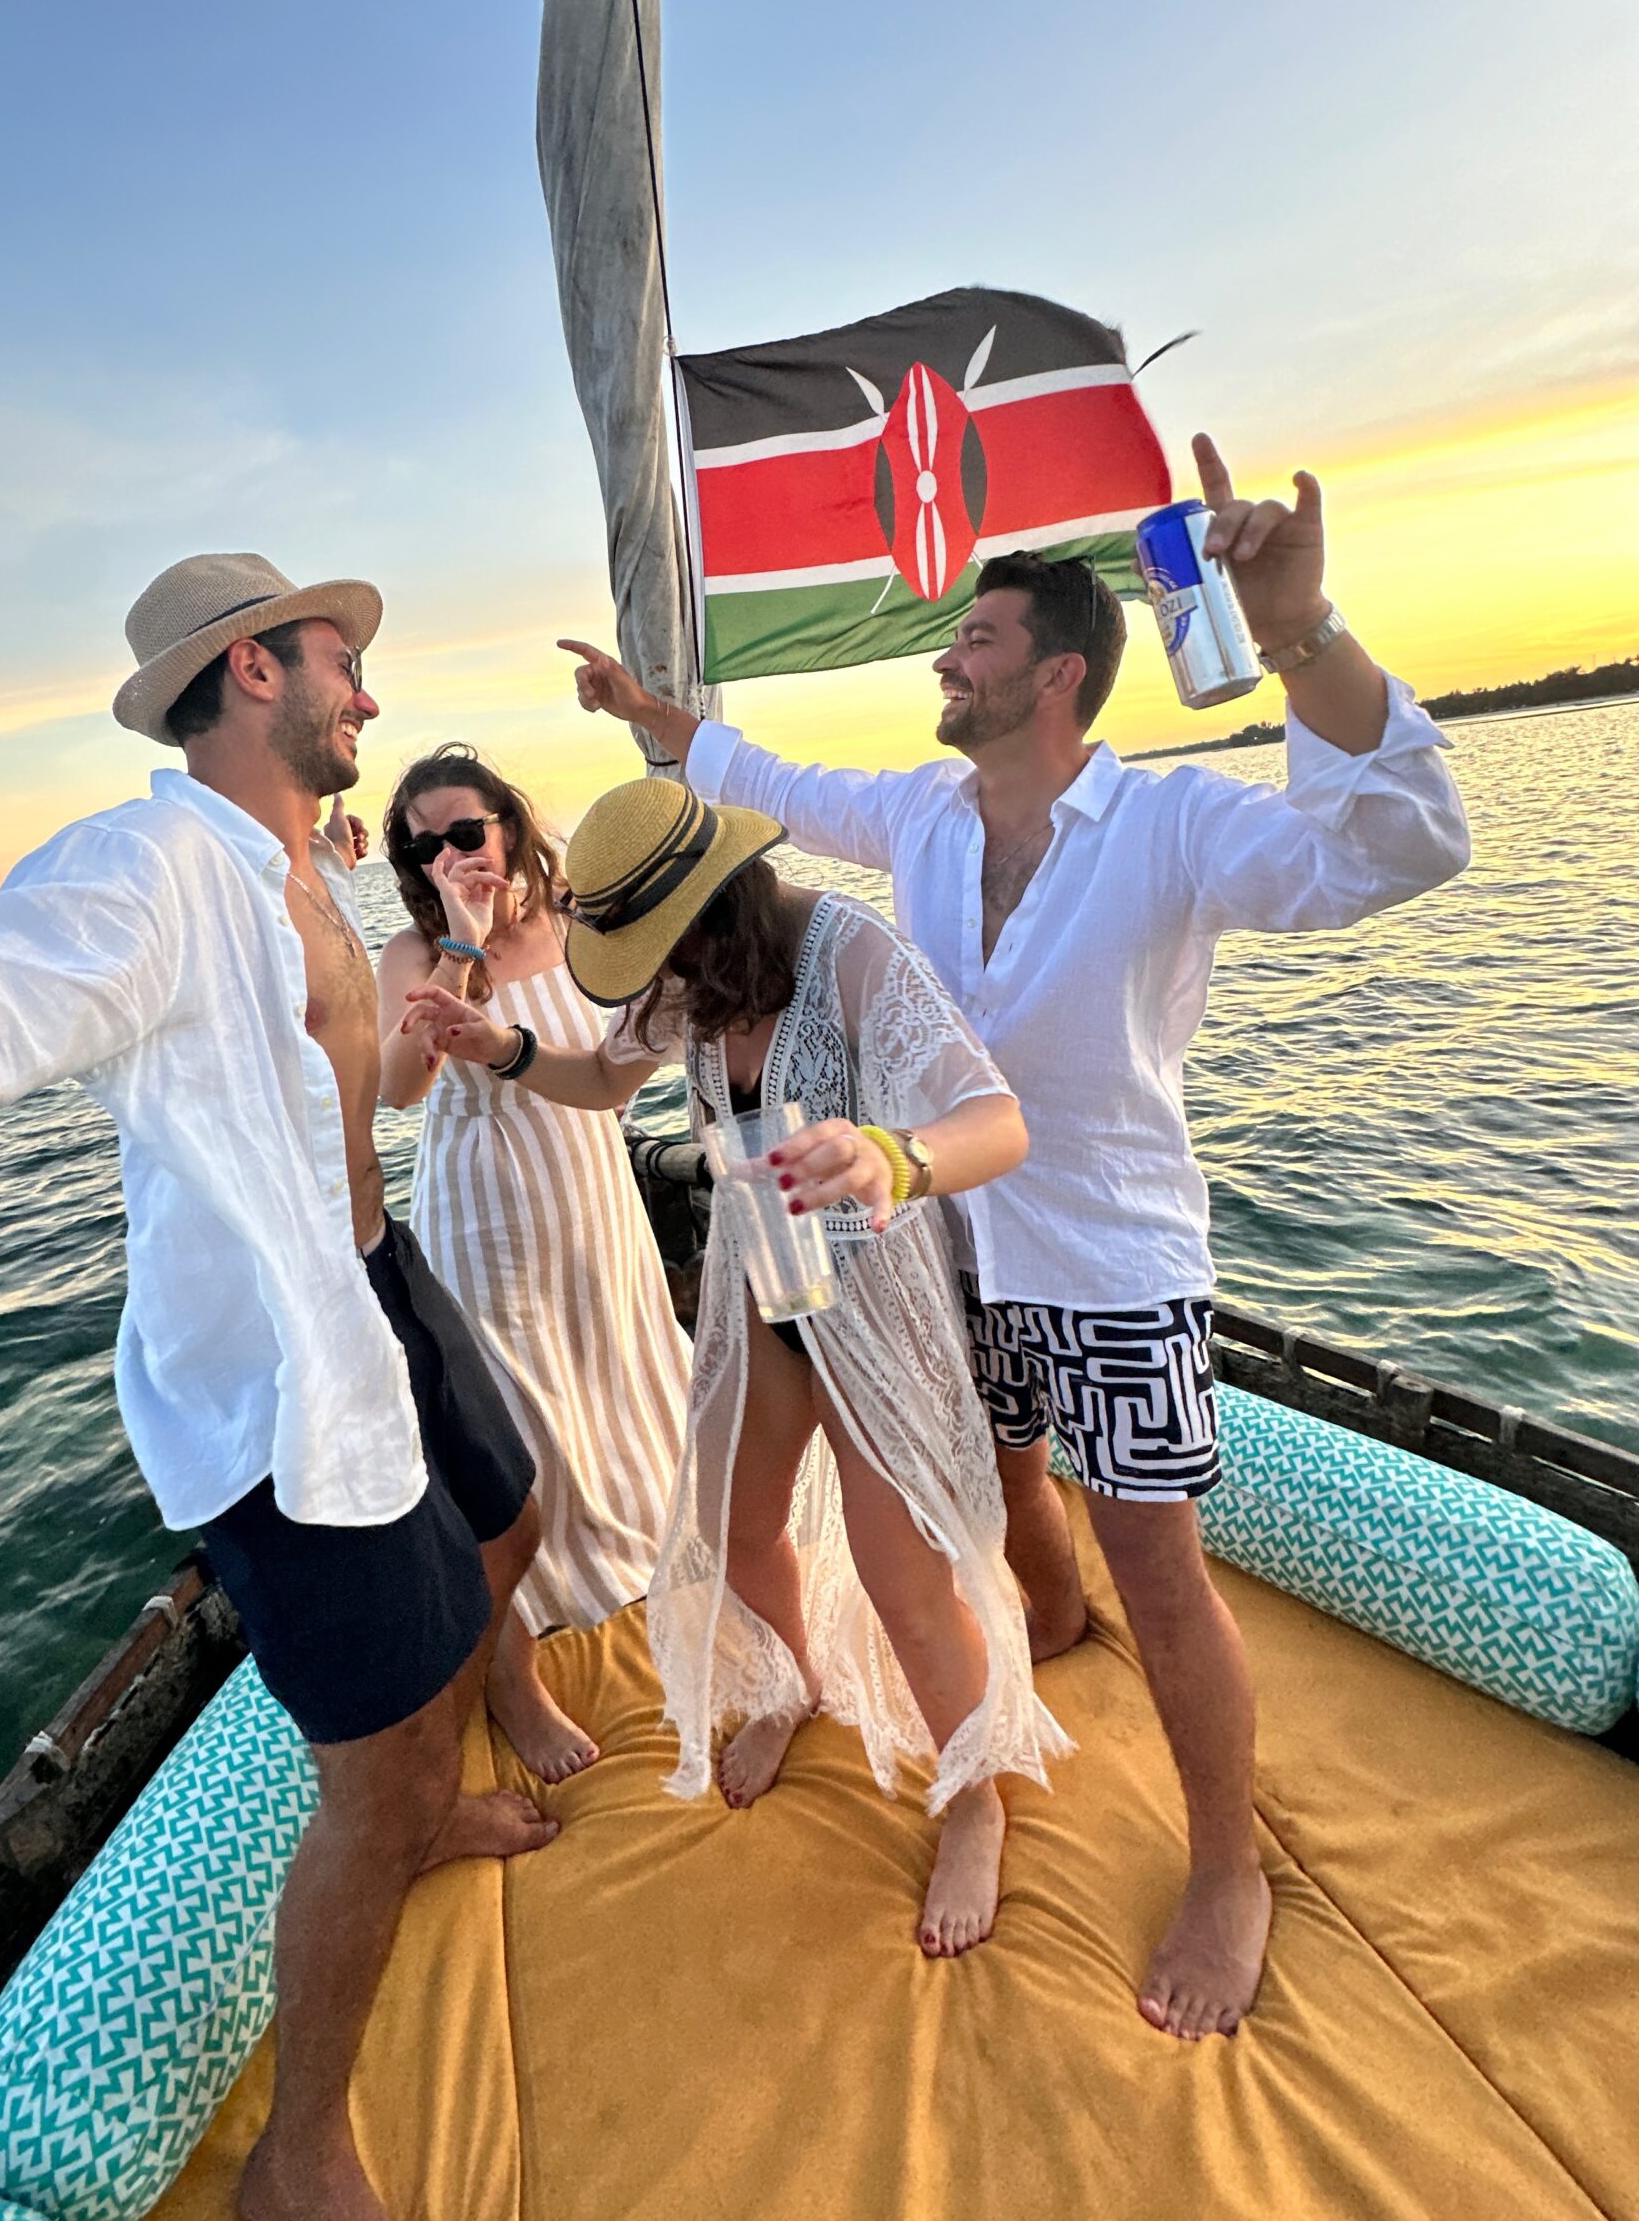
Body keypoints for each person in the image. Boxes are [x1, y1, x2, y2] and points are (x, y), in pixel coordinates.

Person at [558, 432, 1472, 2042]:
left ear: (1057, 675)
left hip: (1110, 1256)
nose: (943, 653)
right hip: (937, 1255)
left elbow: (1402, 847)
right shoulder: (920, 816)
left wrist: (1302, 633)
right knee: (999, 1490)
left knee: (1163, 1575)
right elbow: (766, 785)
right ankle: (1038, 1645)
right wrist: (653, 723)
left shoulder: (1172, 825)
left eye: (973, 636)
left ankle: (1225, 1868)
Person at [0, 553, 555, 2221]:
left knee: (514, 1516)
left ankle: (440, 1781)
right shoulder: (153, 866)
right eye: (342, 662)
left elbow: (346, 1080)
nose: (368, 696)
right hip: (282, 1378)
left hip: (373, 1274)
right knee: (370, 1777)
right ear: (253, 669)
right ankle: (302, 2152)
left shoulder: (300, 862)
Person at [404, 777, 1072, 1959]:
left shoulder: (849, 949)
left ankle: (974, 1799)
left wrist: (893, 1153)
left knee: (899, 1573)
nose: (661, 983)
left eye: (667, 949)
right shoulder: (684, 977)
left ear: (724, 902)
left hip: (869, 1296)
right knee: (736, 1516)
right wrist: (501, 1047)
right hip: (763, 1284)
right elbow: (604, 1082)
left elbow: (999, 1118)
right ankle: (793, 1684)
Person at [374, 743, 691, 1784]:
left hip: (592, 1194)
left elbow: (624, 1059)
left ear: (508, 824)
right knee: (508, 1423)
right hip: (485, 1208)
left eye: (467, 831)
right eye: (426, 846)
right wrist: (461, 942)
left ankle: (635, 1561)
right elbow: (399, 1089)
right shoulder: (409, 956)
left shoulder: (578, 922)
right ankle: (512, 1677)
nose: (452, 855)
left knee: (617, 1372)